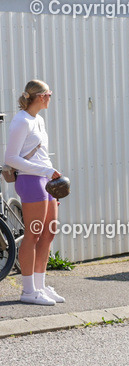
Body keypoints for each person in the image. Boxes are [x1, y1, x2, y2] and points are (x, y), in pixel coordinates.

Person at [5, 80, 63, 305]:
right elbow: (11, 158)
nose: (50, 97)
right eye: (49, 93)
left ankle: (40, 286)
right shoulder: (21, 121)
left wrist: (54, 181)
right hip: (31, 180)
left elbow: (42, 155)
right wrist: (45, 171)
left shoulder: (38, 120)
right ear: (40, 96)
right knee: (33, 235)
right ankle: (28, 291)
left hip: (45, 180)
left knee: (49, 232)